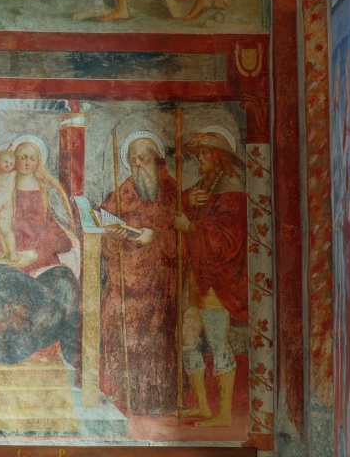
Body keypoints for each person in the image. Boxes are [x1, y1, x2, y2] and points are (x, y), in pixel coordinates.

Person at [0, 135, 80, 366]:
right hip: (6, 263)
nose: (26, 162)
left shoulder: (46, 194)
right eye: (21, 157)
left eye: (31, 158)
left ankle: (13, 350)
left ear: (38, 162)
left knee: (67, 287)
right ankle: (6, 347)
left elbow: (63, 240)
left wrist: (38, 249)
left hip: (43, 264)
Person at [98, 132, 180, 415]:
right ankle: (123, 390)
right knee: (112, 314)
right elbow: (105, 227)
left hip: (160, 276)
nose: (138, 165)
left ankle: (157, 398)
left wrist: (155, 237)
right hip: (124, 275)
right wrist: (115, 236)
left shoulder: (173, 193)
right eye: (132, 160)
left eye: (142, 157)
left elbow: (184, 239)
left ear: (156, 159)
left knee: (155, 327)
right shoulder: (123, 192)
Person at [175, 126, 247, 426]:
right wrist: (188, 202)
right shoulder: (207, 183)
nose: (200, 159)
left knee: (217, 341)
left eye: (205, 154)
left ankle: (226, 413)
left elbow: (229, 236)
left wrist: (190, 227)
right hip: (196, 275)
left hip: (216, 279)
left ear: (219, 157)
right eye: (198, 154)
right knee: (188, 338)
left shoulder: (232, 185)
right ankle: (203, 405)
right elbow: (185, 204)